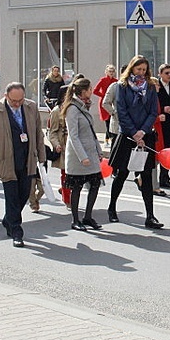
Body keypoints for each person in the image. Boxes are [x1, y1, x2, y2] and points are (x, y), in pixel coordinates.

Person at [0, 82, 46, 248]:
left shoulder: (31, 107)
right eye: (13, 101)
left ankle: (8, 220)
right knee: (11, 197)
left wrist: (41, 155)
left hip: (27, 159)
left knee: (24, 194)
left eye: (20, 100)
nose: (17, 104)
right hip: (7, 160)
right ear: (6, 96)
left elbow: (38, 133)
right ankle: (17, 231)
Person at [107, 55, 163, 229]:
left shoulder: (151, 87)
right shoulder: (121, 87)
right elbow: (121, 111)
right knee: (122, 174)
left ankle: (150, 216)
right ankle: (112, 208)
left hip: (144, 134)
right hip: (127, 135)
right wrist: (133, 132)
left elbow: (153, 111)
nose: (141, 73)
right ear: (131, 68)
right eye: (138, 69)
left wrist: (143, 131)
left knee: (146, 176)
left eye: (144, 70)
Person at [62, 77, 104, 231]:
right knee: (77, 187)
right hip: (78, 156)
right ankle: (75, 220)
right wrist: (82, 156)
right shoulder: (72, 108)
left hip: (90, 152)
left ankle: (88, 216)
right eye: (90, 89)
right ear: (83, 91)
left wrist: (98, 151)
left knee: (95, 184)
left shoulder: (83, 106)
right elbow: (73, 135)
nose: (92, 92)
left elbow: (90, 132)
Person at [48, 90, 70, 209]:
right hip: (64, 144)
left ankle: (64, 189)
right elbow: (52, 132)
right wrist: (56, 144)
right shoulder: (56, 111)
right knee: (65, 173)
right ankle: (67, 198)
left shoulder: (75, 108)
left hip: (75, 143)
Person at [92, 65, 118, 145]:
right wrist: (103, 96)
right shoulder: (103, 80)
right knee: (107, 121)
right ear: (106, 72)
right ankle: (109, 139)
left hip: (113, 103)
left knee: (112, 120)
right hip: (104, 103)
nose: (111, 73)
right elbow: (95, 90)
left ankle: (108, 138)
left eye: (113, 71)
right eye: (110, 71)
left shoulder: (116, 81)